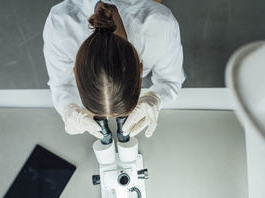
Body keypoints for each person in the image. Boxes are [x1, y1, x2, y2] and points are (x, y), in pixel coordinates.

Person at [43, 0, 185, 139]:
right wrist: (67, 108)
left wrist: (155, 98)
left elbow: (171, 80)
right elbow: (61, 84)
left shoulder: (161, 25)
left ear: (141, 68)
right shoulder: (58, 25)